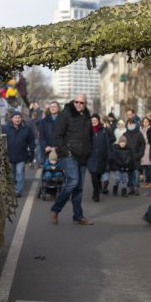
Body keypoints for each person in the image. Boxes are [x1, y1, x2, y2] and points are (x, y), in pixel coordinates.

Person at [49, 94, 95, 225]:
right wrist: (66, 151)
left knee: (79, 187)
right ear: (73, 102)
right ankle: (55, 210)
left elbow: (90, 136)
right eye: (77, 102)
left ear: (85, 104)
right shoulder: (65, 114)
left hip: (83, 155)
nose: (79, 104)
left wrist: (89, 151)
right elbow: (58, 135)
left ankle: (78, 216)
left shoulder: (87, 116)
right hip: (69, 154)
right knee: (73, 181)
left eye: (82, 103)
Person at [1, 110, 34, 198]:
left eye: (19, 118)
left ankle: (18, 190)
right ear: (12, 119)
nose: (17, 119)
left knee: (19, 173)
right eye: (15, 118)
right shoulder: (5, 128)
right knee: (11, 174)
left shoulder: (27, 129)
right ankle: (11, 190)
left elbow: (31, 142)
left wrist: (31, 154)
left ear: (21, 119)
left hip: (21, 156)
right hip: (9, 156)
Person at [86, 113, 111, 202]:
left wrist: (109, 156)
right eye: (92, 121)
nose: (94, 122)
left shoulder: (103, 131)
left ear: (98, 121)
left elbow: (108, 144)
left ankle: (97, 188)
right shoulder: (88, 131)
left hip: (101, 157)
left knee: (99, 175)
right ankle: (96, 192)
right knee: (93, 175)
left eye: (95, 120)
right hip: (91, 157)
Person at [123, 117, 146, 195]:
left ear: (135, 124)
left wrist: (140, 154)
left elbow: (143, 144)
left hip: (136, 157)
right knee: (129, 174)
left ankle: (136, 187)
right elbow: (122, 145)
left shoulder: (139, 134)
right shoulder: (125, 134)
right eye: (129, 124)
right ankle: (131, 188)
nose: (131, 125)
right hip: (128, 158)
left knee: (136, 174)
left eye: (132, 123)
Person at [140, 116, 151, 186]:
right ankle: (147, 181)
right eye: (144, 122)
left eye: (147, 122)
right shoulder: (141, 129)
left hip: (148, 149)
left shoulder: (150, 129)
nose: (145, 123)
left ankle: (150, 181)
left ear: (149, 122)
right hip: (143, 150)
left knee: (148, 167)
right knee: (144, 167)